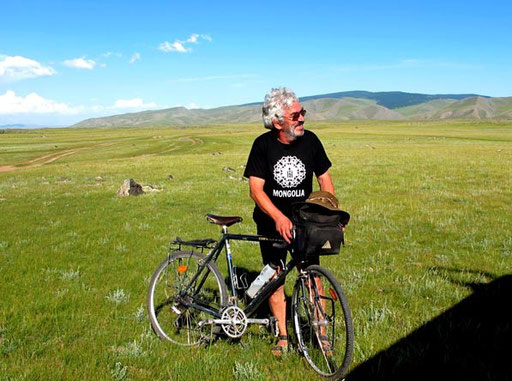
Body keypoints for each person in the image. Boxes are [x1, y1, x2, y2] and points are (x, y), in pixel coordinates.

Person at [243, 87, 335, 356]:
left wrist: (328, 215)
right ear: (277, 121)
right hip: (270, 223)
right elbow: (256, 190)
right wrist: (278, 218)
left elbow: (325, 181)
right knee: (275, 279)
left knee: (313, 279)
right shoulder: (262, 146)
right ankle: (283, 337)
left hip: (304, 223)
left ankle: (322, 334)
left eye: (302, 112)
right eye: (296, 115)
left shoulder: (312, 142)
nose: (302, 118)